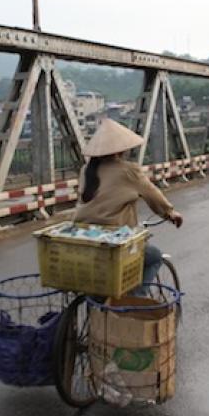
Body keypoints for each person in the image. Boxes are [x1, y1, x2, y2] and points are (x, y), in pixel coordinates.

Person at [73, 118, 183, 296]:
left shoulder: (87, 169)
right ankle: (136, 300)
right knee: (154, 257)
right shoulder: (128, 170)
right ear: (122, 149)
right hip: (115, 240)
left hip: (83, 237)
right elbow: (152, 194)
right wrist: (170, 213)